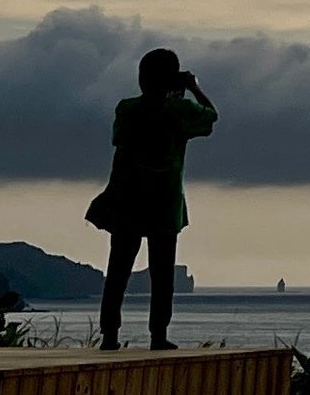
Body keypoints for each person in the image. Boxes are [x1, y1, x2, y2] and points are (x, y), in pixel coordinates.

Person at [91, 47, 217, 352]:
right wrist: (192, 86)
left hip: (128, 198)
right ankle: (158, 334)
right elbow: (212, 116)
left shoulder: (127, 109)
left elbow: (118, 139)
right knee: (162, 274)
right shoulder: (179, 110)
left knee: (117, 269)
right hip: (165, 200)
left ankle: (110, 335)